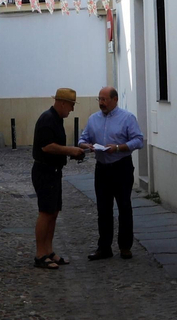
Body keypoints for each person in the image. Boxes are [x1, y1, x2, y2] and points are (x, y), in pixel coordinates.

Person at [78, 86, 145, 260]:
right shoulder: (93, 119)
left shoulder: (127, 118)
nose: (101, 103)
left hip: (121, 166)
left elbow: (138, 140)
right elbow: (82, 139)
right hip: (102, 169)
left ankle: (125, 246)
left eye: (105, 99)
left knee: (124, 207)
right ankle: (104, 247)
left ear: (115, 100)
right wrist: (87, 146)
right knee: (103, 209)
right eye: (99, 99)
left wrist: (117, 148)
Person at [31, 87, 85, 270]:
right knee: (46, 212)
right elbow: (47, 147)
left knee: (53, 212)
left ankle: (49, 251)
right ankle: (40, 254)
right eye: (71, 105)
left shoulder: (57, 119)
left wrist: (71, 153)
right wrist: (70, 150)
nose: (72, 110)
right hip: (45, 171)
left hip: (53, 171)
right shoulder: (48, 119)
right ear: (62, 103)